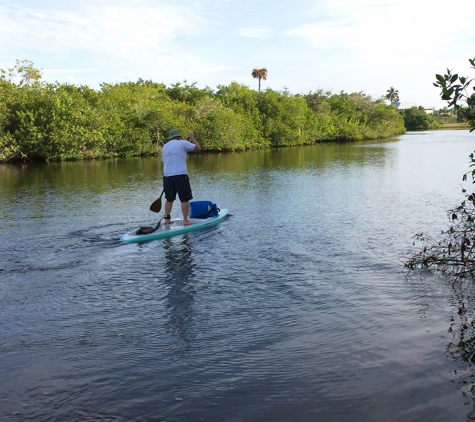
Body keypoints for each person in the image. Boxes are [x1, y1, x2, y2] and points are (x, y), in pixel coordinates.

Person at [161, 128, 200, 225]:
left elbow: (164, 160)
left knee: (169, 199)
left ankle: (167, 219)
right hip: (180, 175)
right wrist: (192, 138)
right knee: (184, 199)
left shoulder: (165, 147)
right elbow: (197, 148)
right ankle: (186, 220)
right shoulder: (183, 143)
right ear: (178, 136)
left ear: (171, 137)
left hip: (167, 176)